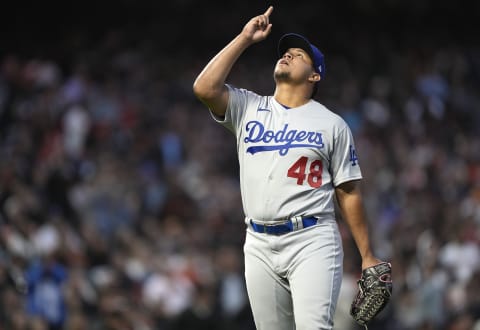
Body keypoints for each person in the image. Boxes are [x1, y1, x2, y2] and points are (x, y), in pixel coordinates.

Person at [193, 6, 384, 330]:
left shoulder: (331, 124)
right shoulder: (249, 106)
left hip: (312, 238)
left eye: (298, 55)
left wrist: (367, 256)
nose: (288, 56)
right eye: (286, 53)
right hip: (258, 241)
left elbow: (348, 192)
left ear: (315, 75)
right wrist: (244, 38)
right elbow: (204, 88)